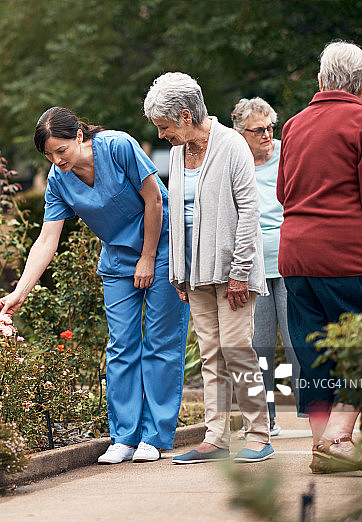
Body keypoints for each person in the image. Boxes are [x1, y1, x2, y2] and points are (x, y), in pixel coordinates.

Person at [0, 107, 190, 464]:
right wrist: (19, 292)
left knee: (161, 343)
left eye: (61, 150)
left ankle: (156, 436)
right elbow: (46, 240)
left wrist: (147, 257)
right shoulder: (58, 178)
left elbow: (155, 199)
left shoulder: (118, 147)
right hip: (117, 260)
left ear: (79, 136)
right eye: (49, 155)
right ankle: (124, 437)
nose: (57, 160)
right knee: (121, 345)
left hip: (162, 249)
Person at [277, 41, 362, 473]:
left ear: (319, 79)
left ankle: (322, 445)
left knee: (314, 350)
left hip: (296, 255)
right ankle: (339, 440)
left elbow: (282, 192)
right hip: (349, 255)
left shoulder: (293, 125)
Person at [143, 72, 273, 464]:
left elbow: (250, 210)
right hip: (195, 272)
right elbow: (179, 212)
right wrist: (178, 271)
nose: (163, 135)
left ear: (184, 116)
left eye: (165, 127)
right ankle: (215, 438)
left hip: (234, 271)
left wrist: (240, 271)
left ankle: (259, 433)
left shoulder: (232, 145)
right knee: (211, 355)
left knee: (238, 352)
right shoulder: (182, 153)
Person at [230, 97, 302, 437]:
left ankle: (312, 410)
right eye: (258, 129)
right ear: (240, 132)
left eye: (270, 127)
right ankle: (264, 419)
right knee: (258, 347)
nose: (266, 134)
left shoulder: (285, 152)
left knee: (297, 341)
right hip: (253, 265)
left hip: (290, 259)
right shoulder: (235, 159)